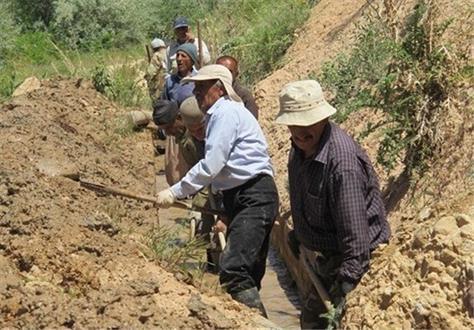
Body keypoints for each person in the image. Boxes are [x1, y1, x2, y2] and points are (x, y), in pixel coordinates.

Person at [155, 65, 279, 317]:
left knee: (233, 270)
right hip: (245, 196)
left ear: (219, 89)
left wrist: (175, 192)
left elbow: (212, 165)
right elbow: (225, 173)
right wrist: (226, 211)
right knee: (249, 275)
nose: (197, 92)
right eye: (196, 88)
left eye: (202, 87)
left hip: (254, 195)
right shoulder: (218, 115)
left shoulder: (225, 113)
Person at [274, 80, 391, 329]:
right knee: (310, 322)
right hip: (323, 258)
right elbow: (304, 195)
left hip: (350, 260)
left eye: (309, 123)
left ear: (323, 118)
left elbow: (355, 237)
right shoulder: (299, 148)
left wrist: (346, 282)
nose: (302, 131)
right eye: (295, 124)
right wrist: (300, 235)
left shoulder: (342, 164)